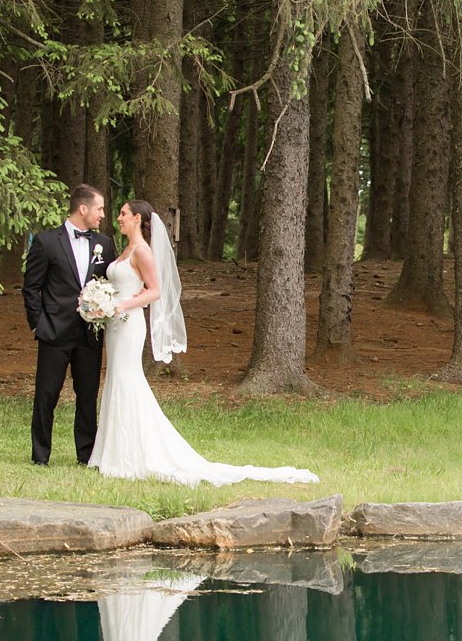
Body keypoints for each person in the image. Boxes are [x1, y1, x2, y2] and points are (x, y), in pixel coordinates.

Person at [86, 199, 319, 486]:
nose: (118, 217)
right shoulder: (126, 250)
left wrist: (122, 305)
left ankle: (129, 454)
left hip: (128, 323)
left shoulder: (143, 251)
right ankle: (110, 452)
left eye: (123, 214)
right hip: (115, 325)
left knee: (126, 379)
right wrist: (102, 298)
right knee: (115, 379)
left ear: (137, 218)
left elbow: (155, 291)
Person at [23, 184, 117, 466]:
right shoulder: (46, 241)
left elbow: (110, 284)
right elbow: (31, 287)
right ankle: (40, 455)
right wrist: (38, 323)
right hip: (54, 330)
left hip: (89, 333)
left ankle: (86, 454)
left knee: (87, 395)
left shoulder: (105, 243)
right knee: (46, 394)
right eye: (99, 208)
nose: (102, 214)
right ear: (83, 208)